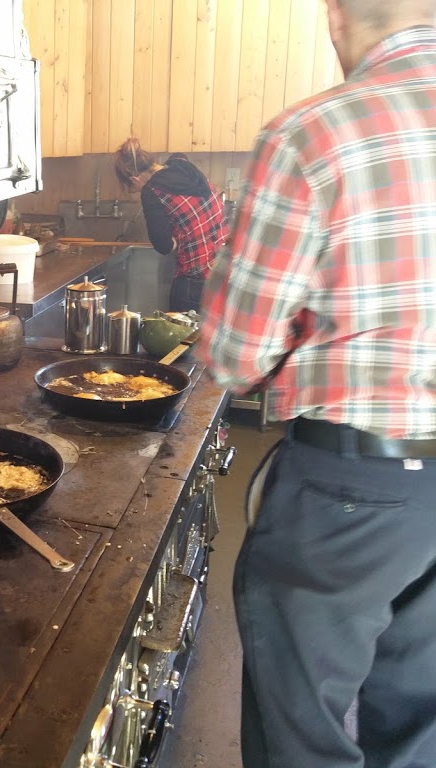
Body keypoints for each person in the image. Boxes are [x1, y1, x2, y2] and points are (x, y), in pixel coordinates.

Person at [197, 1, 436, 766]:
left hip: (353, 492)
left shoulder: (316, 133)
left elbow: (234, 355)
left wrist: (297, 330)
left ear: (336, 16)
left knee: (306, 734)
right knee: (418, 730)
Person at [112, 138, 228, 313]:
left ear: (135, 178)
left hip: (193, 283)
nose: (135, 191)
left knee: (182, 339)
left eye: (132, 187)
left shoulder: (151, 191)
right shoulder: (181, 164)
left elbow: (163, 245)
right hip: (222, 274)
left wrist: (180, 236)